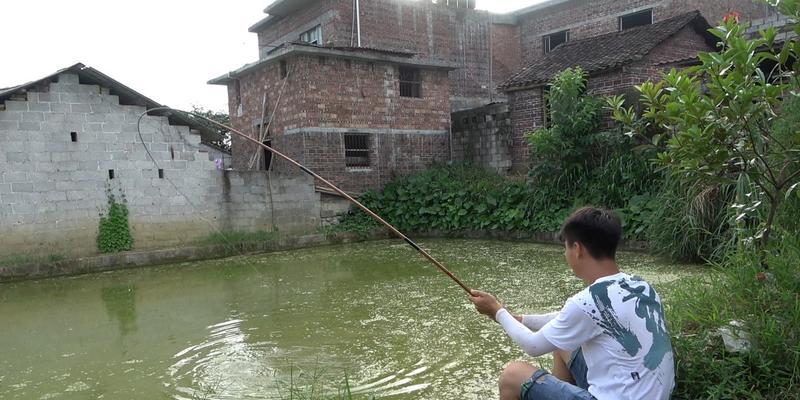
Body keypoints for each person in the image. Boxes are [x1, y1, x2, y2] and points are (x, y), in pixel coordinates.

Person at [470, 207, 674, 400]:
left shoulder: (588, 300)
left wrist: (497, 310)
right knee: (561, 344)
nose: (565, 254)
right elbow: (565, 321)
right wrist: (519, 319)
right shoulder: (640, 285)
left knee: (512, 375)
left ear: (577, 249)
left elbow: (533, 346)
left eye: (566, 247)